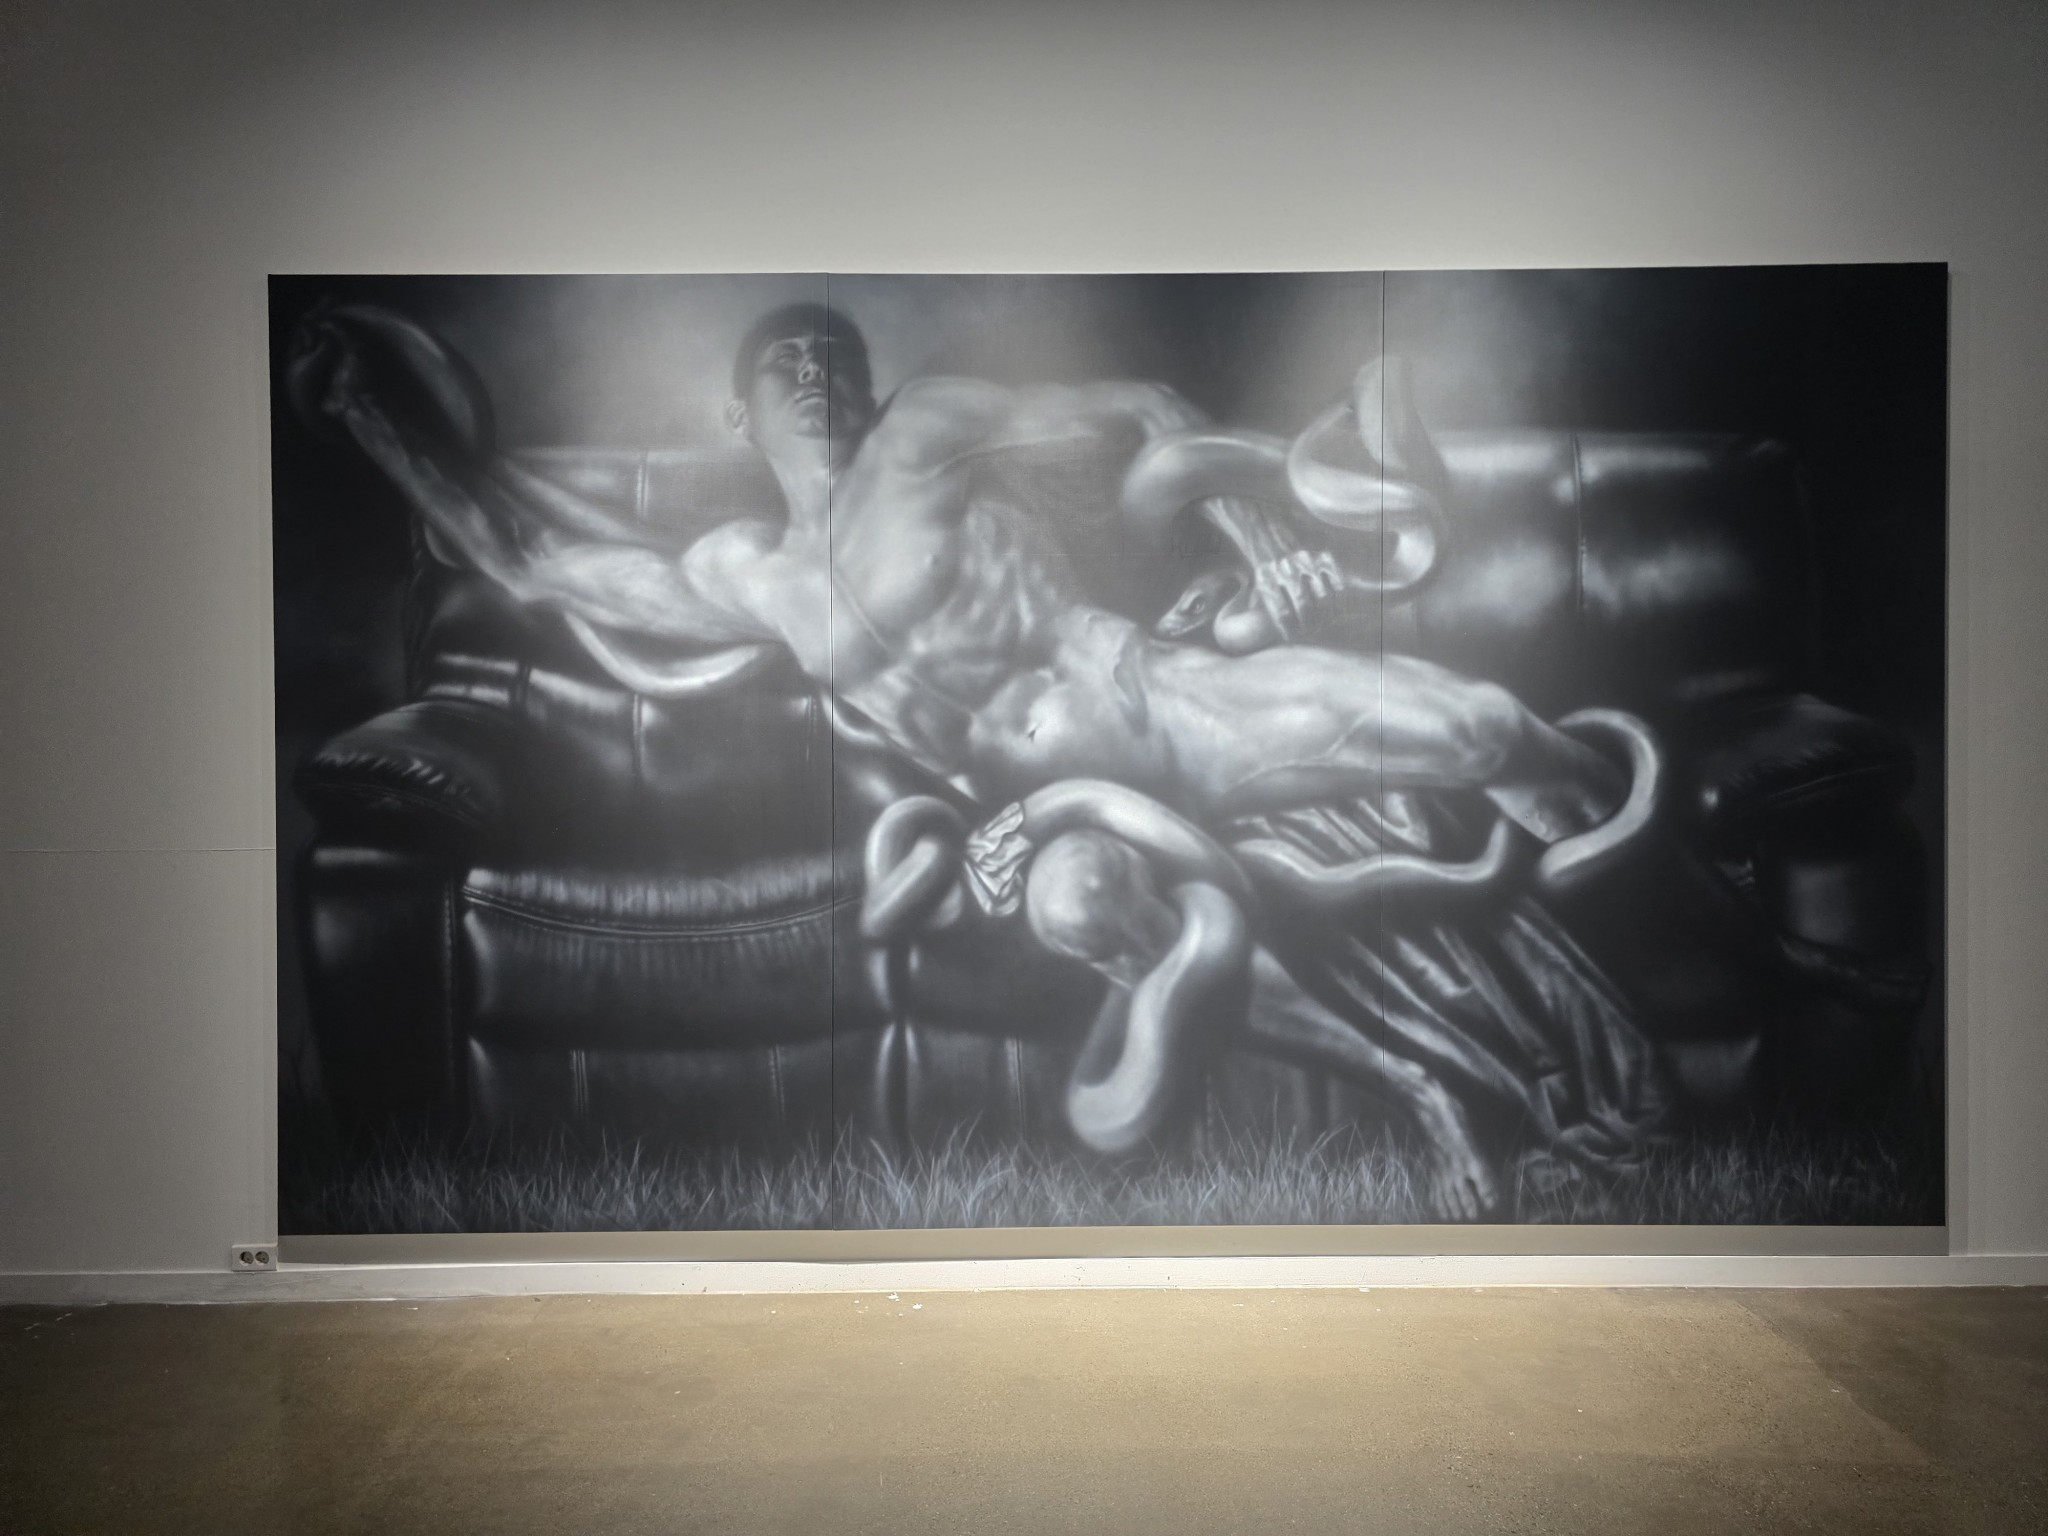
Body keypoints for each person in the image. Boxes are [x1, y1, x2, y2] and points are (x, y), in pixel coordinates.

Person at [300, 301, 1627, 856]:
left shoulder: (932, 432)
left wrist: (1256, 533)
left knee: (1485, 730)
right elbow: (525, 558)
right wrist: (367, 415)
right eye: (784, 367)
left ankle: (1640, 892)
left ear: (870, 386)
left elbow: (1146, 410)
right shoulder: (746, 573)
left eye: (833, 360)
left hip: (1153, 704)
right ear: (737, 416)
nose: (814, 377)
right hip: (1030, 815)